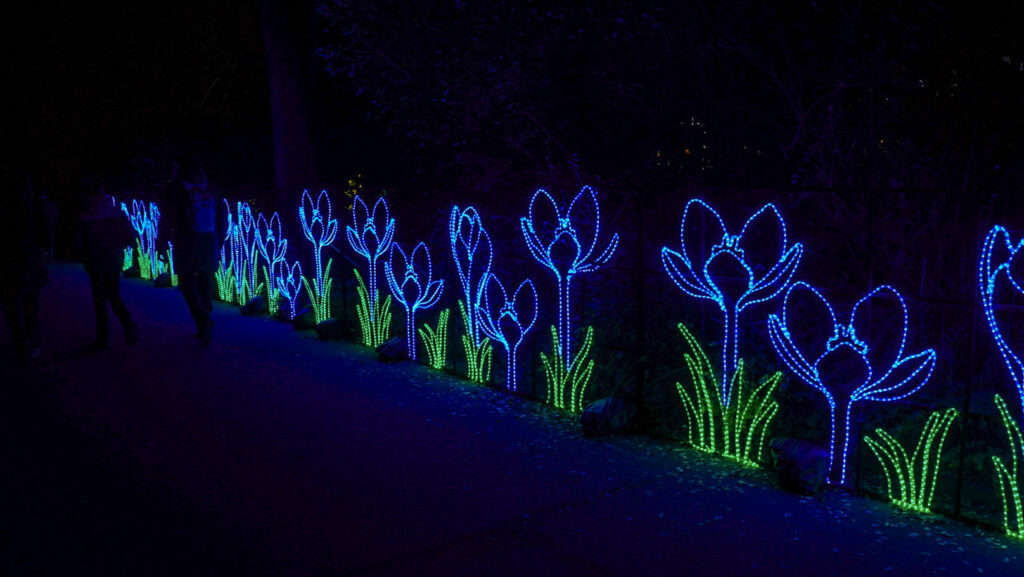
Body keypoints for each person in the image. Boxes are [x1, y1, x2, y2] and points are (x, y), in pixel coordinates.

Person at [167, 156, 221, 346]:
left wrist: (162, 240)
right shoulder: (211, 188)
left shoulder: (175, 189)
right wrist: (219, 241)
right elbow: (223, 216)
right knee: (205, 279)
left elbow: (168, 216)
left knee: (186, 281)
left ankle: (202, 320)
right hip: (209, 240)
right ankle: (204, 318)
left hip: (185, 241)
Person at [79, 189, 138, 349]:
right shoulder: (117, 214)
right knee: (113, 293)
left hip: (95, 260)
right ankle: (127, 325)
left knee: (99, 297)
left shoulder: (87, 216)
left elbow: (82, 241)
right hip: (113, 259)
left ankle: (104, 336)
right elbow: (130, 237)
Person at [0, 170, 48, 363]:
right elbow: (44, 238)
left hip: (6, 266)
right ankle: (33, 345)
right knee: (30, 308)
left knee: (12, 309)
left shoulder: (4, 211)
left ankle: (21, 345)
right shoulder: (35, 210)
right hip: (29, 264)